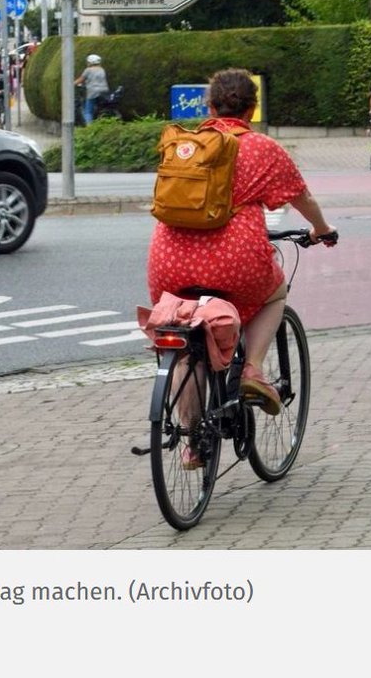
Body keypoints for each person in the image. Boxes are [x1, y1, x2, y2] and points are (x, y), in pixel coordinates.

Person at [146, 69, 337, 465]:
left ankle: (193, 442)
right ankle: (251, 370)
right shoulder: (261, 148)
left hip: (168, 259)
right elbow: (303, 199)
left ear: (209, 106)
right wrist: (322, 230)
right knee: (274, 292)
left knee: (185, 343)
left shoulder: (186, 145)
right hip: (235, 261)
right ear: (252, 109)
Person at [74, 54, 108, 124]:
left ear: (90, 62)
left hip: (93, 91)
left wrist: (72, 84)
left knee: (88, 111)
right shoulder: (102, 69)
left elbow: (81, 79)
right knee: (100, 106)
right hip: (104, 90)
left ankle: (90, 127)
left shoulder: (88, 70)